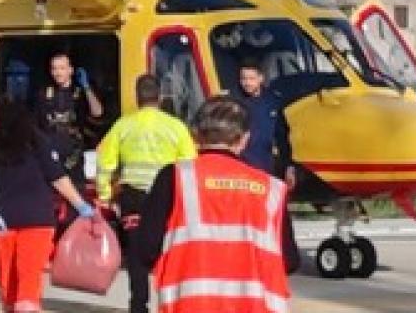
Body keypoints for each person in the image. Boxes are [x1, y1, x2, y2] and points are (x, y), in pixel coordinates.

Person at [135, 96, 300, 313]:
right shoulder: (273, 189)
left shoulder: (175, 177)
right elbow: (289, 261)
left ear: (195, 136)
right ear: (244, 139)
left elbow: (146, 249)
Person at [95, 74, 196, 313]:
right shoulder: (176, 127)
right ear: (160, 97)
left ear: (137, 97)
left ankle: (138, 305)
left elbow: (105, 163)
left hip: (134, 198)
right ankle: (170, 303)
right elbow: (191, 164)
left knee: (136, 255)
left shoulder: (123, 125)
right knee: (169, 253)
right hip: (168, 197)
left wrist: (105, 194)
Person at [0, 98, 94, 312]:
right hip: (37, 219)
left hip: (1, 223)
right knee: (29, 283)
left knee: (8, 286)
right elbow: (57, 177)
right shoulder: (37, 141)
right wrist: (82, 206)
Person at [32, 52, 105, 189]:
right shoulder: (44, 93)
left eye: (62, 68)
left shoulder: (80, 92)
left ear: (71, 70)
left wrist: (87, 87)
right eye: (54, 68)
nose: (58, 73)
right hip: (51, 160)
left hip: (74, 159)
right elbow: (36, 126)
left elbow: (97, 112)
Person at [234, 64, 293, 182]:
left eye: (251, 78)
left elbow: (283, 136)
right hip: (243, 164)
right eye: (243, 79)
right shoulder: (234, 103)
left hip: (269, 164)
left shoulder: (273, 101)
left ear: (261, 78)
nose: (247, 83)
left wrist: (289, 166)